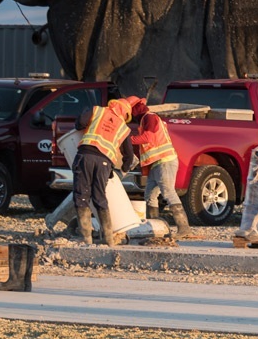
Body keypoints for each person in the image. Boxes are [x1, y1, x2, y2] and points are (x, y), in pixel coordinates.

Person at [73, 93, 142, 246]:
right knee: (100, 198)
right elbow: (129, 156)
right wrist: (122, 171)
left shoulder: (98, 111)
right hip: (104, 163)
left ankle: (86, 240)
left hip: (86, 155)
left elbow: (80, 123)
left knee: (81, 196)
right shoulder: (123, 128)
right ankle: (109, 239)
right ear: (125, 114)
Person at [129, 108, 190, 239]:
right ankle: (154, 226)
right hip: (157, 163)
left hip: (164, 161)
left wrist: (127, 140)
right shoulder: (147, 120)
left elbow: (148, 138)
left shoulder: (149, 118)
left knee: (168, 192)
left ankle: (184, 228)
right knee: (150, 195)